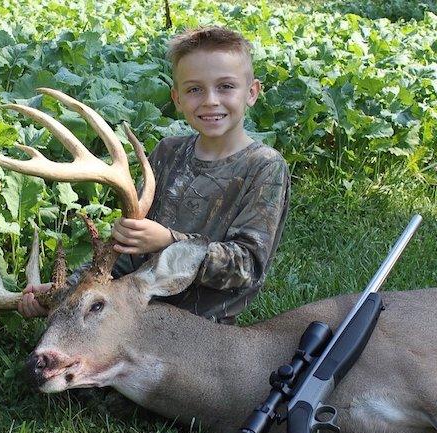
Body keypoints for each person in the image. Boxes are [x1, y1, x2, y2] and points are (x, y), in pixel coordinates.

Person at [18, 26, 290, 324]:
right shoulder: (167, 152)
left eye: (226, 86)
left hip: (203, 329)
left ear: (252, 92)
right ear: (177, 98)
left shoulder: (264, 166)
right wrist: (66, 292)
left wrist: (169, 241)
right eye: (194, 89)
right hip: (133, 310)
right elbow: (122, 252)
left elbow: (246, 268)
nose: (210, 100)